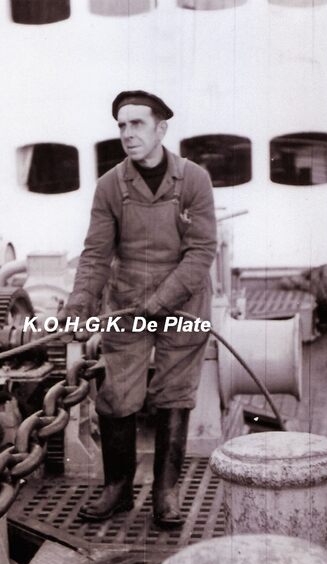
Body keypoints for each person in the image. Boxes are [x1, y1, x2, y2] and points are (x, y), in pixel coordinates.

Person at [59, 90, 217, 528]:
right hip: (127, 305)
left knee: (175, 393)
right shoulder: (110, 186)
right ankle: (117, 488)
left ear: (161, 129)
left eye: (137, 124)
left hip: (185, 304)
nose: (127, 134)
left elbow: (201, 252)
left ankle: (165, 493)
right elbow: (96, 254)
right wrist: (78, 304)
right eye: (121, 126)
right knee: (117, 394)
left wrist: (160, 302)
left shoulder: (194, 180)